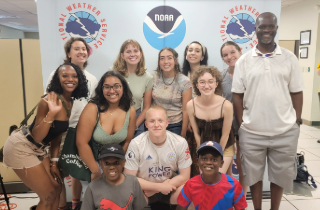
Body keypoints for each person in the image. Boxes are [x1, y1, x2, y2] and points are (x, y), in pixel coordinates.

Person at [232, 12, 304, 210]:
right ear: (255, 29)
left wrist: (297, 120)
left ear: (276, 29)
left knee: (279, 176)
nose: (266, 30)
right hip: (252, 131)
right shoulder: (244, 61)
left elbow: (297, 91)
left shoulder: (289, 58)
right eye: (262, 27)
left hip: (284, 131)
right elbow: (237, 95)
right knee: (253, 176)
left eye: (270, 26)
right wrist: (242, 123)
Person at [3, 63, 88, 210]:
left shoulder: (70, 101)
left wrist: (54, 163)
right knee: (48, 194)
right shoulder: (48, 100)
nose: (70, 79)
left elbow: (56, 135)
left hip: (40, 148)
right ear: (57, 79)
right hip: (22, 146)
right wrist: (51, 114)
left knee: (56, 188)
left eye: (74, 76)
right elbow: (37, 136)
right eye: (65, 76)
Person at [45, 37, 98, 210]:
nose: (81, 52)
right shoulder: (56, 74)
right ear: (68, 53)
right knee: (58, 170)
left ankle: (76, 204)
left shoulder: (92, 79)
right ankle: (61, 206)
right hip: (61, 129)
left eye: (84, 49)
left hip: (81, 131)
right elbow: (50, 102)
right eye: (77, 49)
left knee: (77, 170)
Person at [124, 106, 192, 209]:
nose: (156, 125)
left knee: (189, 189)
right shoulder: (136, 143)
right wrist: (159, 187)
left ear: (167, 123)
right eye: (152, 121)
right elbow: (130, 178)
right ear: (146, 124)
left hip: (170, 188)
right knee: (128, 193)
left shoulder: (180, 142)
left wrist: (161, 188)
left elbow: (185, 176)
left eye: (160, 121)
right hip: (146, 191)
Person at [77, 70, 136, 182]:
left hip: (117, 161)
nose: (112, 91)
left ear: (123, 88)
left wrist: (118, 165)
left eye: (116, 86)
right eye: (107, 87)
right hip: (93, 161)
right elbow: (81, 143)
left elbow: (127, 142)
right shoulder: (92, 108)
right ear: (101, 89)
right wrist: (96, 171)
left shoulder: (130, 111)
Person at [187, 66, 235, 175]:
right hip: (204, 145)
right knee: (206, 178)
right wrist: (201, 153)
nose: (206, 86)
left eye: (210, 82)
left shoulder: (226, 105)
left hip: (224, 146)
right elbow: (197, 134)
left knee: (216, 176)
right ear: (196, 85)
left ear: (216, 84)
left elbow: (225, 135)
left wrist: (218, 155)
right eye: (202, 82)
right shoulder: (191, 105)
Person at [177, 141, 247, 210]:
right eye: (204, 159)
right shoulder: (191, 184)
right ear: (198, 161)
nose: (208, 162)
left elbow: (241, 208)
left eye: (214, 159)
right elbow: (181, 207)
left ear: (221, 163)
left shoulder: (233, 185)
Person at [80, 144, 147, 210]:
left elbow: (140, 208)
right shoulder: (92, 187)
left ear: (123, 163)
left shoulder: (133, 182)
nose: (112, 167)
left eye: (116, 162)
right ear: (101, 164)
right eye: (107, 163)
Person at [220, 41, 248, 197]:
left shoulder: (250, 72)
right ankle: (228, 195)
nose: (229, 57)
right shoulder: (221, 76)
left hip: (246, 124)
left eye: (232, 52)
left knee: (243, 162)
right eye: (225, 55)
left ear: (240, 51)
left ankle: (242, 197)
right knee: (227, 162)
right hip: (227, 126)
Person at [111, 39, 153, 138]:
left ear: (141, 54)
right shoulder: (113, 73)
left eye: (135, 51)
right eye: (128, 51)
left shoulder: (148, 77)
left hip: (136, 118)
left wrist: (134, 125)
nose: (132, 54)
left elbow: (146, 107)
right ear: (122, 55)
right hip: (113, 116)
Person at [151, 47, 192, 137]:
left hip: (175, 124)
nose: (166, 61)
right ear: (159, 61)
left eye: (169, 58)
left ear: (176, 60)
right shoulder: (153, 77)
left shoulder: (184, 81)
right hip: (155, 123)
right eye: (162, 58)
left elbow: (185, 110)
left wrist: (183, 132)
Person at [182, 41, 209, 177]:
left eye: (197, 51)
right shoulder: (180, 76)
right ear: (186, 54)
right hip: (183, 125)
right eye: (190, 50)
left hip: (203, 124)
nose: (193, 53)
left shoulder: (208, 75)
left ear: (202, 56)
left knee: (203, 161)